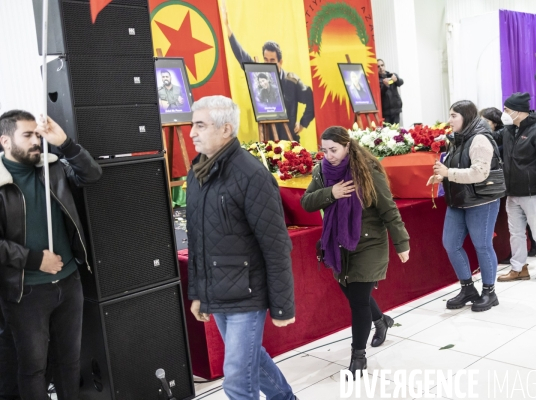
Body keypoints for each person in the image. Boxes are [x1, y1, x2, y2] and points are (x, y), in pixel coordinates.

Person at [186, 96, 297, 400]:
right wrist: (198, 293)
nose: (192, 132)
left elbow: (275, 244)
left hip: (247, 293)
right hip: (218, 290)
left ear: (225, 129)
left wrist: (283, 304)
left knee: (236, 379)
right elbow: (197, 241)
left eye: (200, 125)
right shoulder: (197, 172)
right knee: (251, 360)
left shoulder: (251, 175)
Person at [0, 110, 102, 400]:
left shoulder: (52, 167)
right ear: (5, 141)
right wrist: (35, 259)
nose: (36, 141)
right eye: (28, 135)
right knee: (33, 369)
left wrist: (65, 143)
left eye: (38, 134)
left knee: (69, 364)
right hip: (26, 293)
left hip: (70, 283)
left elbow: (92, 175)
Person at [301, 126, 410, 378]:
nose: (328, 155)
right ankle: (381, 320)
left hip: (369, 243)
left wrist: (401, 242)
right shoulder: (322, 172)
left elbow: (388, 208)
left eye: (334, 149)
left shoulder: (367, 170)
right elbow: (306, 202)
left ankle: (358, 356)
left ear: (347, 146)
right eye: (324, 150)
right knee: (354, 295)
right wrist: (331, 193)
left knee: (358, 300)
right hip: (338, 244)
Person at [428, 101, 503, 312]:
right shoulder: (457, 138)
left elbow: (480, 173)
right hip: (458, 199)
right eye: (449, 115)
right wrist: (440, 178)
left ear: (467, 117)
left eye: (454, 116)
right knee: (450, 244)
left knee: (482, 245)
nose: (449, 120)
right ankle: (468, 289)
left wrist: (447, 174)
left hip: (482, 200)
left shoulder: (479, 139)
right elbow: (456, 167)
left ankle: (489, 292)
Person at [222, 4, 314, 142]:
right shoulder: (259, 74)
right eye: (265, 59)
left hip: (288, 140)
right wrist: (228, 28)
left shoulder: (292, 81)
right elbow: (242, 56)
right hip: (267, 140)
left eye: (272, 60)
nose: (267, 63)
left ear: (280, 62)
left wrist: (302, 123)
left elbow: (311, 99)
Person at [492, 93, 536, 284]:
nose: (504, 113)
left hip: (534, 192)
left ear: (519, 112)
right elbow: (491, 137)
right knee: (516, 233)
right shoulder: (509, 130)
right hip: (512, 192)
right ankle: (518, 268)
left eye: (507, 110)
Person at [480, 107, 536, 260]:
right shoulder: (496, 136)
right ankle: (530, 248)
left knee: (522, 219)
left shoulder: (505, 136)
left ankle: (532, 247)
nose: (482, 125)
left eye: (485, 122)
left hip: (515, 181)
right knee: (520, 220)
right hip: (509, 181)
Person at [377, 59, 403, 124]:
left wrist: (396, 80)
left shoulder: (392, 75)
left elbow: (401, 82)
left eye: (382, 65)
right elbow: (380, 93)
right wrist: (385, 86)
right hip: (385, 112)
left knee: (396, 131)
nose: (380, 67)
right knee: (387, 132)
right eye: (378, 66)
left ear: (384, 66)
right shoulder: (376, 79)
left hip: (396, 109)